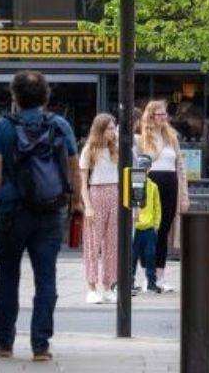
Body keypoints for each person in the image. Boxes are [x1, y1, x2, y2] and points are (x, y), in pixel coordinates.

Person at [0, 69, 82, 361]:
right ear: (45, 96)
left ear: (14, 96)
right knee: (46, 278)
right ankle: (40, 345)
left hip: (13, 213)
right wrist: (76, 202)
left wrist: (3, 196)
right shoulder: (60, 125)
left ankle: (4, 342)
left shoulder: (2, 128)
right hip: (50, 212)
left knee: (7, 276)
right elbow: (75, 170)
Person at [138, 100, 189, 285]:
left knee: (164, 229)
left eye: (164, 114)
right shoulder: (142, 138)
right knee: (149, 229)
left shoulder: (172, 137)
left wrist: (184, 194)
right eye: (159, 115)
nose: (163, 118)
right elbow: (137, 165)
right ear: (151, 116)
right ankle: (147, 275)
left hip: (170, 182)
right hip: (151, 183)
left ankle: (159, 275)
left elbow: (180, 166)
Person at [80, 113, 121, 303]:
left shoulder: (117, 149)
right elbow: (82, 183)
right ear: (101, 129)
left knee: (112, 244)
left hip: (115, 191)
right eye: (110, 128)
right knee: (92, 243)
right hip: (96, 192)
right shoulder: (89, 150)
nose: (113, 132)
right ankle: (91, 286)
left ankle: (108, 285)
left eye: (114, 128)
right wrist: (87, 206)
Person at [131, 160, 165, 294]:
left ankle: (151, 282)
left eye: (145, 168)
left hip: (149, 228)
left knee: (151, 256)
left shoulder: (153, 186)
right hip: (136, 227)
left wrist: (156, 224)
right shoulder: (132, 184)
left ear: (149, 169)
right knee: (132, 257)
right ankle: (130, 282)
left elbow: (157, 207)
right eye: (141, 167)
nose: (143, 170)